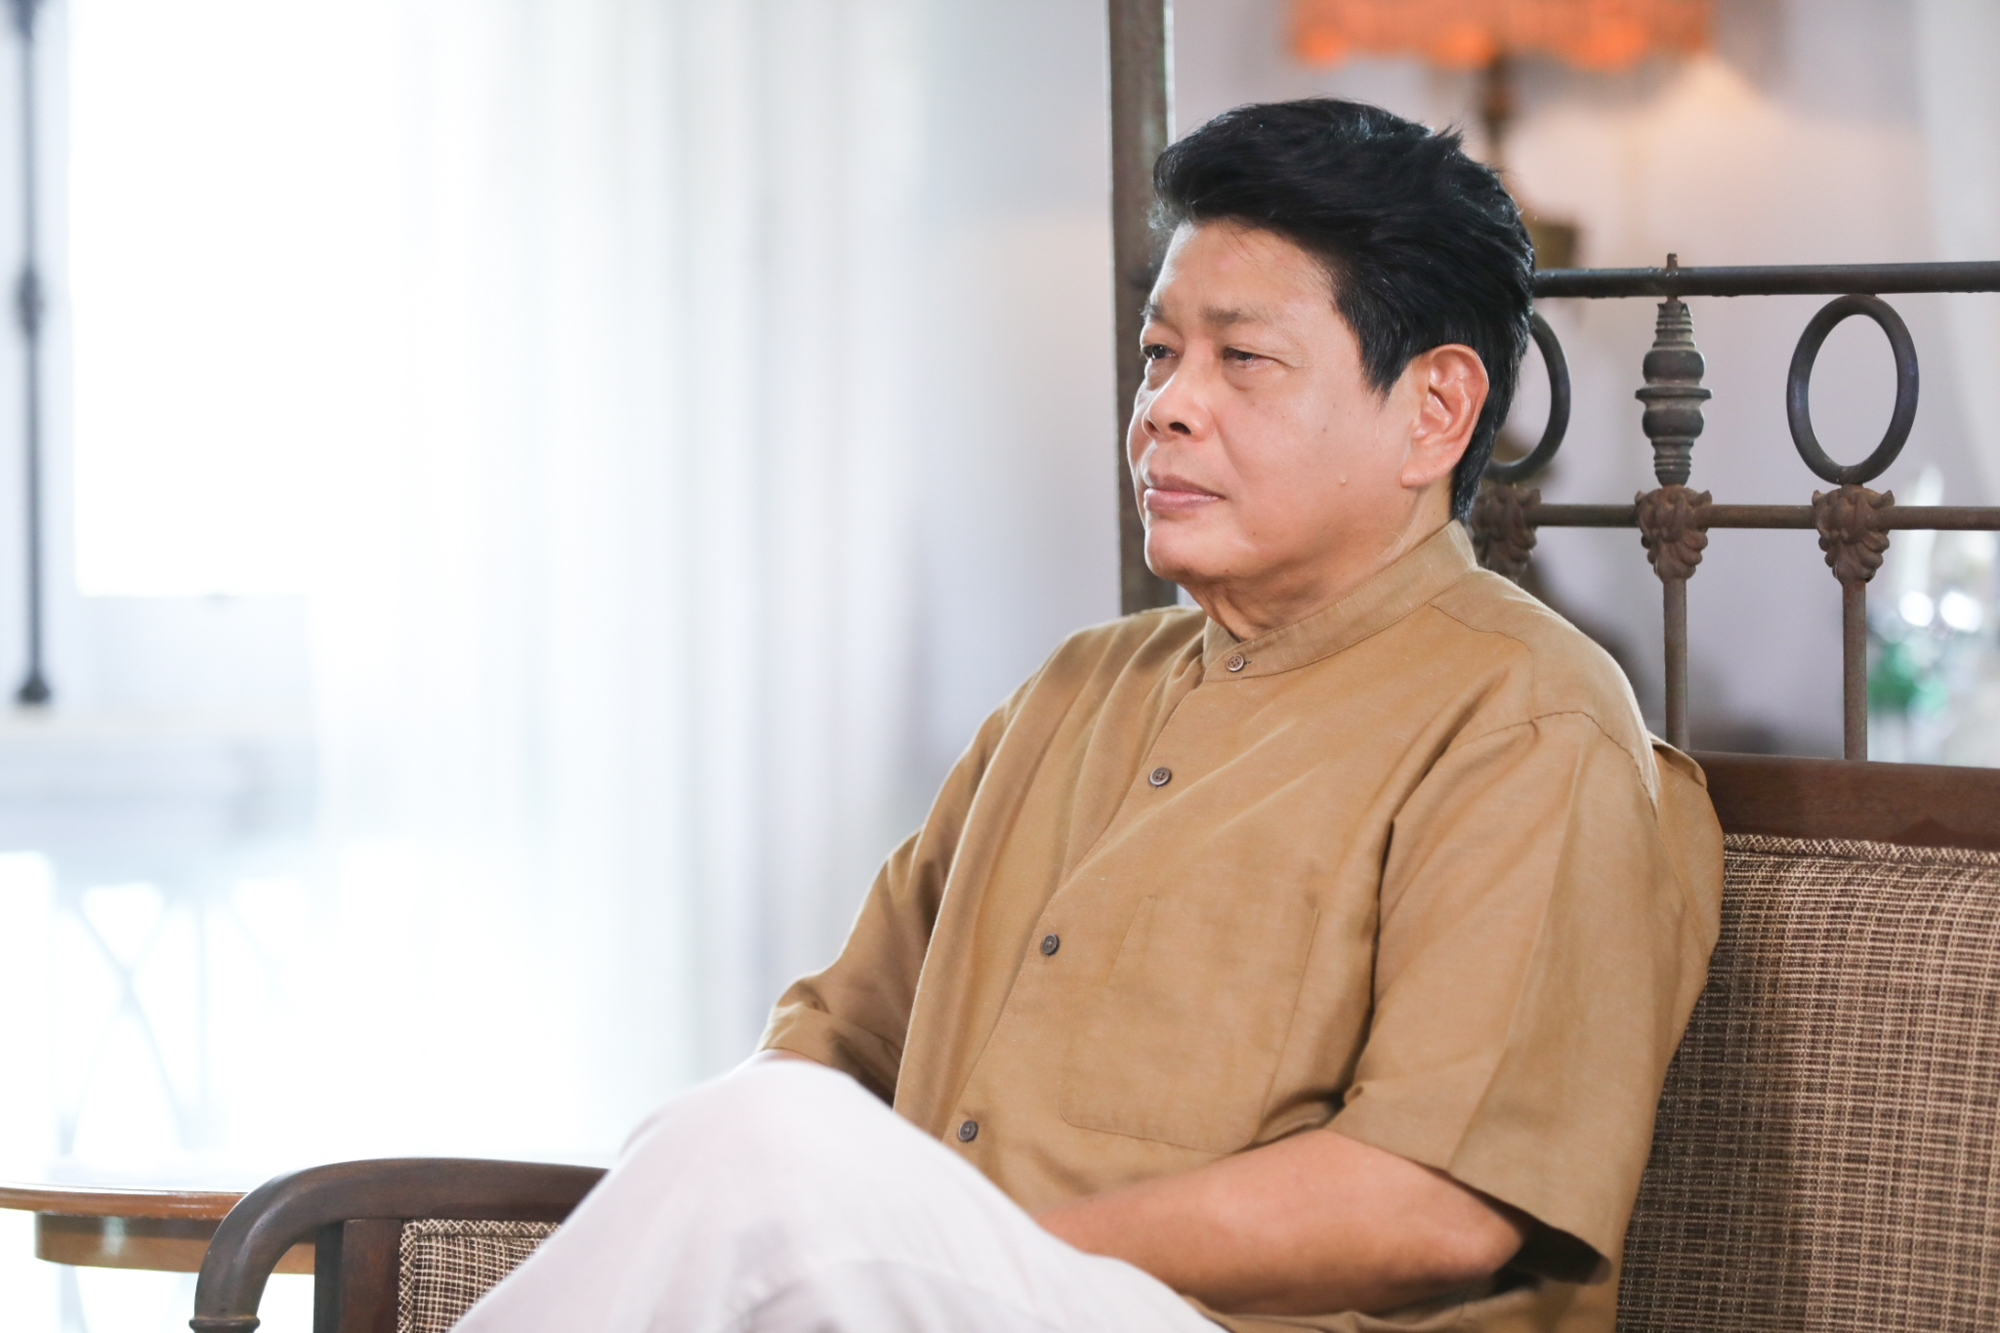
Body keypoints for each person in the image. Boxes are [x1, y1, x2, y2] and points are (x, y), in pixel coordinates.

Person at [453, 97, 1722, 1333]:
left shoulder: (1530, 719)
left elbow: (1431, 1207)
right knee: (735, 1126)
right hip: (935, 1298)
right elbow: (831, 1050)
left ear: (1432, 412)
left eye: (1240, 359)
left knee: (760, 1151)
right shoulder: (1073, 691)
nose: (1165, 404)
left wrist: (950, 1246)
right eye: (1159, 354)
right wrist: (846, 1235)